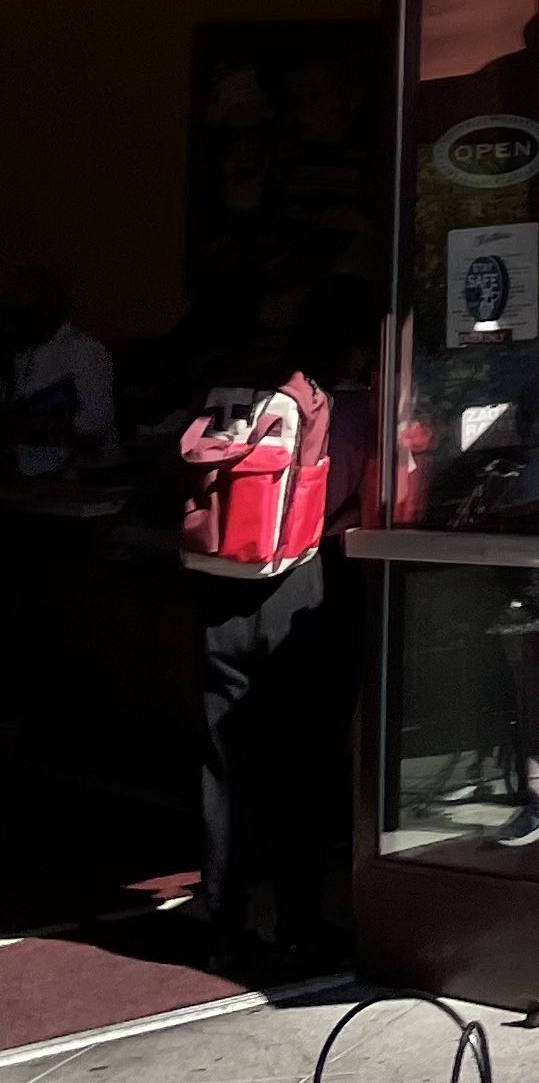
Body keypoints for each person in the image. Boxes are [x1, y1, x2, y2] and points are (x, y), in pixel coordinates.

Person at [199, 279, 371, 957]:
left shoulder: (245, 386)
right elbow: (369, 495)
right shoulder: (350, 408)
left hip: (224, 583)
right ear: (361, 344)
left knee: (226, 762)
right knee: (307, 759)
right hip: (308, 586)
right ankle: (299, 919)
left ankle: (222, 916)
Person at [6, 266, 118, 476]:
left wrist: (33, 427)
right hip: (27, 473)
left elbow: (97, 421)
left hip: (80, 474)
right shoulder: (19, 353)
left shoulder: (83, 351)